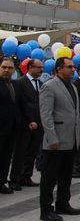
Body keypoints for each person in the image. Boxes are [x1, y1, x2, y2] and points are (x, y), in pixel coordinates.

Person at [39, 57, 80, 221]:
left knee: (66, 175)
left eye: (73, 67)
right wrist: (52, 138)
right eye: (69, 67)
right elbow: (46, 115)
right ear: (58, 69)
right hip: (56, 141)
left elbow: (76, 113)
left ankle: (63, 203)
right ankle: (46, 209)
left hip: (70, 138)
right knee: (50, 177)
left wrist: (79, 135)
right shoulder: (49, 86)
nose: (73, 69)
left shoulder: (72, 86)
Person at [9, 58, 43, 191]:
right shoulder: (20, 83)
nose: (41, 70)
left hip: (38, 124)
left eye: (42, 67)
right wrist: (28, 121)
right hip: (24, 125)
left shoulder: (40, 83)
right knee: (20, 153)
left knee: (32, 151)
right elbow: (18, 105)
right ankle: (14, 179)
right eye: (38, 67)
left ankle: (26, 176)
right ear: (30, 68)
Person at [0, 57, 19, 194]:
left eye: (9, 68)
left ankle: (2, 182)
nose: (6, 70)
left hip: (11, 128)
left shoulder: (14, 84)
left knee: (6, 157)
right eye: (4, 67)